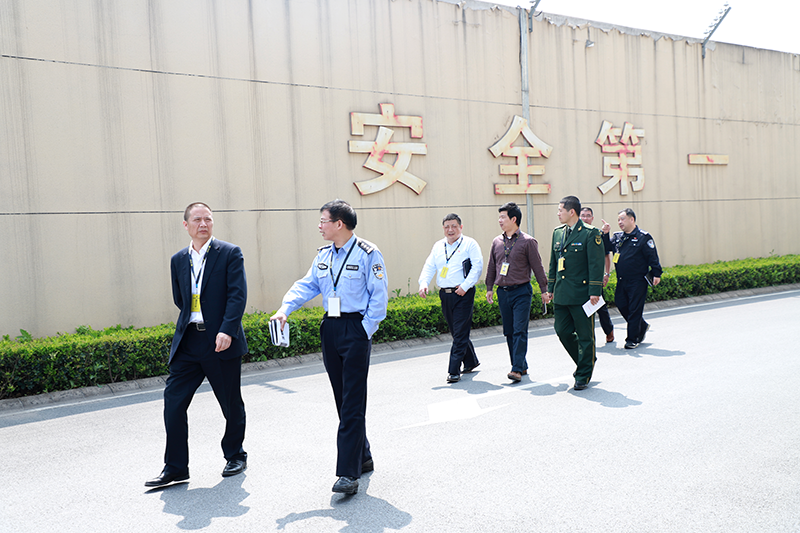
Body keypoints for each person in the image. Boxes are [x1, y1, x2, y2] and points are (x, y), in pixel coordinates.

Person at [270, 199, 388, 495]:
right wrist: (285, 309)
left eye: (323, 221)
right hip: (331, 329)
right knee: (342, 397)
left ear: (339, 223)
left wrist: (364, 330)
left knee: (352, 401)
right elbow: (307, 285)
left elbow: (379, 296)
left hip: (355, 328)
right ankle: (363, 455)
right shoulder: (323, 255)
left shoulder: (368, 253)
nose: (319, 226)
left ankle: (348, 474)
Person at [146, 202, 249, 487]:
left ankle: (235, 454)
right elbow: (180, 299)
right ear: (186, 225)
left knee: (230, 402)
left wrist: (227, 330)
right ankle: (176, 467)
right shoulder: (178, 259)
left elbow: (237, 296)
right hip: (189, 340)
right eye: (197, 220)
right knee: (173, 402)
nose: (203, 224)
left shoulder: (229, 253)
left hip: (220, 341)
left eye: (208, 219)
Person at [544, 196, 604, 391]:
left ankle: (583, 374)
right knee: (562, 331)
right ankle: (586, 358)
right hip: (562, 293)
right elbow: (553, 263)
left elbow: (596, 264)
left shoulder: (590, 233)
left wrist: (594, 291)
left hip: (582, 294)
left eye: (560, 210)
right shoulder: (558, 233)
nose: (558, 213)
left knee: (585, 336)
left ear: (572, 212)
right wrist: (550, 288)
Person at [485, 202, 548, 383]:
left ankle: (516, 369)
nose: (500, 220)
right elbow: (492, 266)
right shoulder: (497, 242)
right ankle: (521, 364)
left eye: (503, 217)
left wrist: (544, 290)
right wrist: (489, 288)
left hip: (521, 291)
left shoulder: (528, 241)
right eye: (499, 217)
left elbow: (538, 267)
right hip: (503, 292)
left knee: (520, 330)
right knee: (509, 331)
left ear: (514, 219)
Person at [418, 213, 484, 383]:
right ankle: (470, 361)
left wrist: (465, 286)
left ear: (460, 227)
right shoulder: (438, 246)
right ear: (443, 228)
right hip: (445, 295)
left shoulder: (470, 244)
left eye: (454, 226)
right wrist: (423, 283)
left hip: (463, 293)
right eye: (447, 226)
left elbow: (477, 267)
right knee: (456, 331)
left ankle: (453, 370)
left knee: (460, 331)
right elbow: (429, 266)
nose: (450, 230)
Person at [603, 208, 662, 349]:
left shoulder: (643, 237)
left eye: (622, 219)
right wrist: (605, 234)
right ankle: (642, 325)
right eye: (618, 220)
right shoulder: (618, 237)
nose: (620, 222)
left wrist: (657, 273)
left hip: (638, 280)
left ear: (632, 219)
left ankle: (632, 339)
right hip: (622, 279)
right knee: (621, 304)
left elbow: (652, 256)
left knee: (635, 309)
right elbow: (606, 248)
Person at [579, 207, 615, 343]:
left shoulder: (597, 234)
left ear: (592, 218)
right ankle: (585, 337)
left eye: (588, 216)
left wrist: (606, 274)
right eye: (583, 215)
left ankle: (609, 330)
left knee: (599, 306)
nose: (585, 218)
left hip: (594, 277)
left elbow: (606, 255)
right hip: (580, 277)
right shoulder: (574, 234)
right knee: (580, 307)